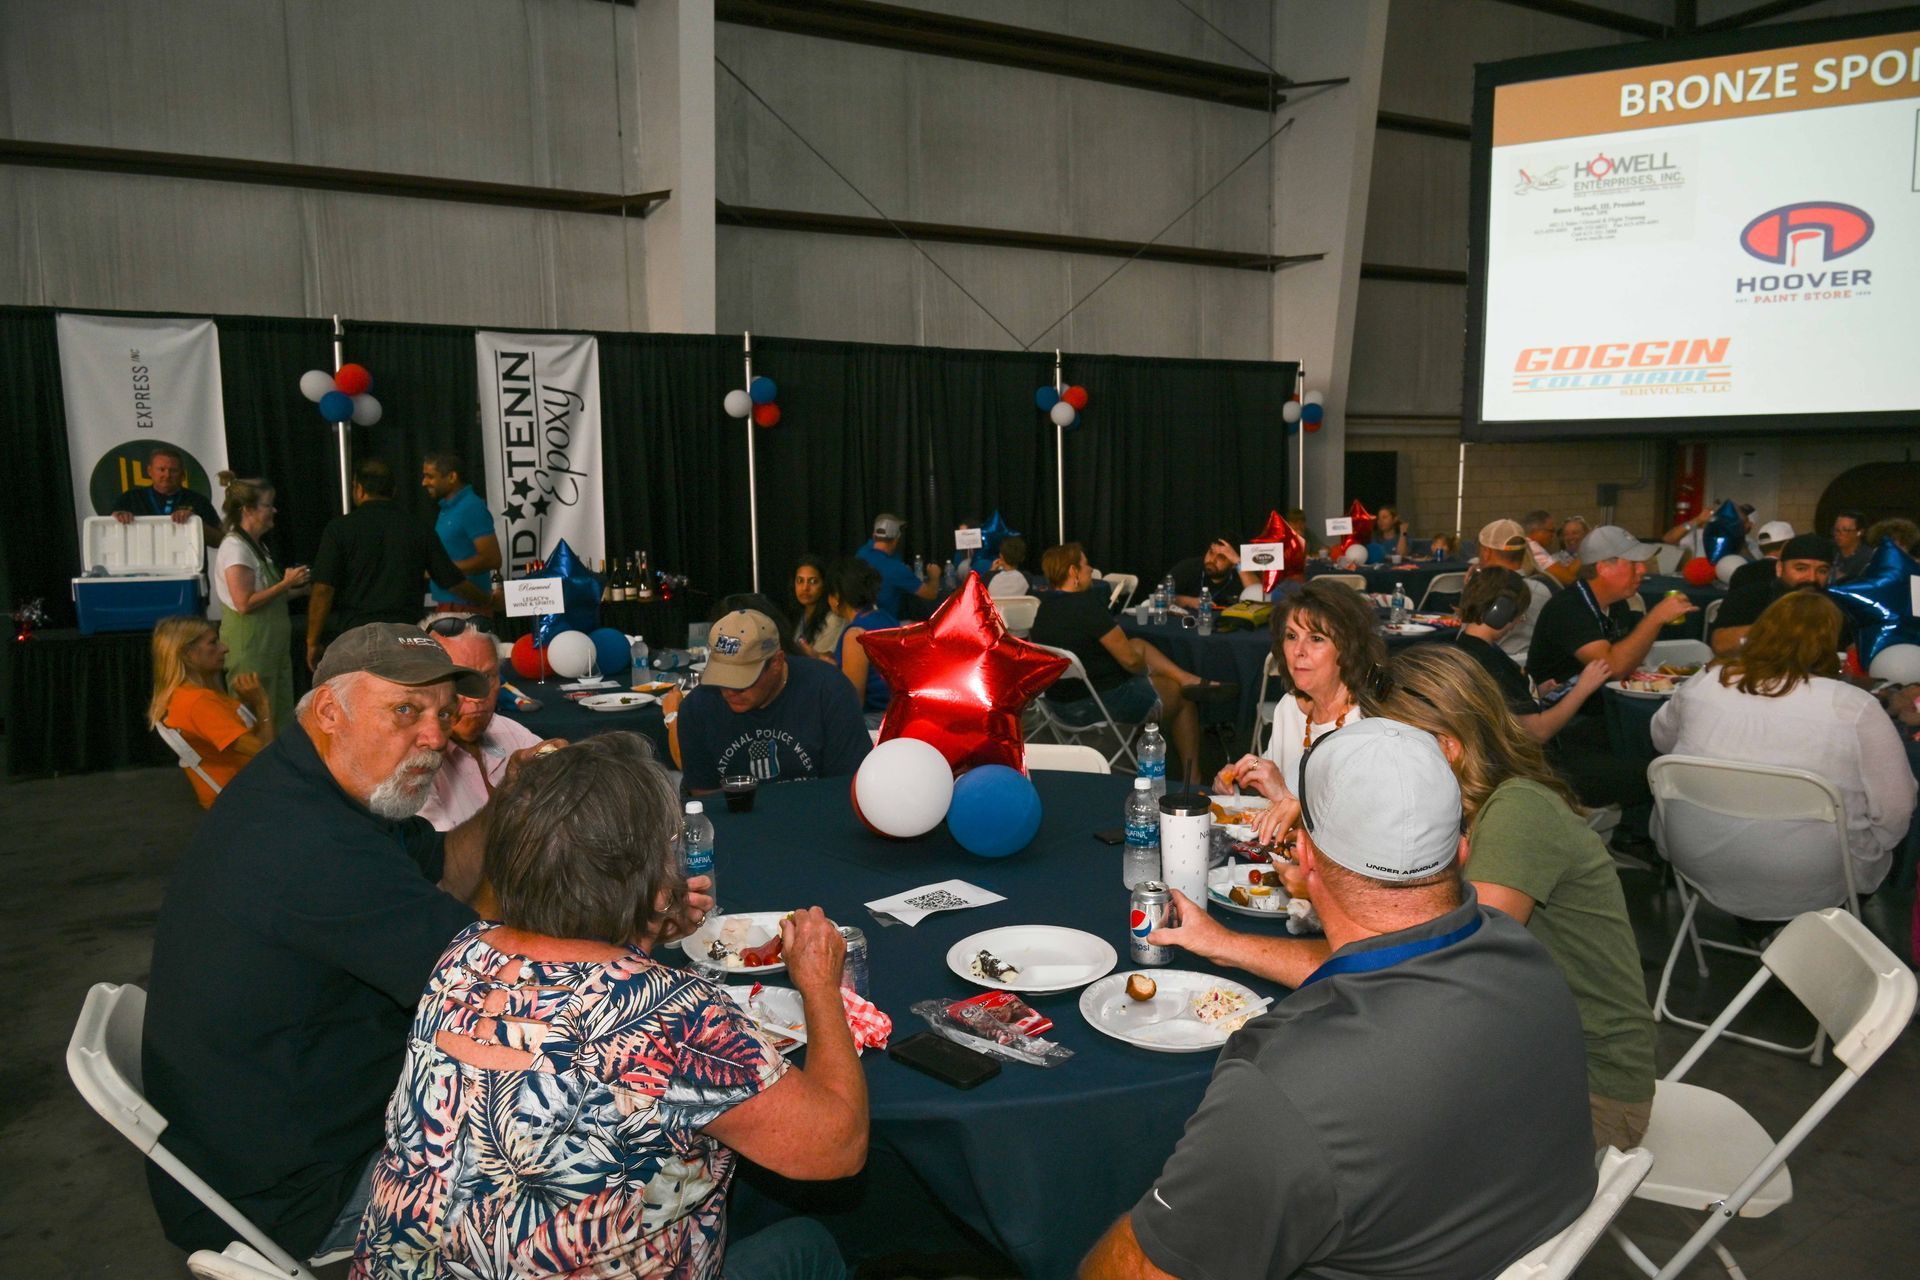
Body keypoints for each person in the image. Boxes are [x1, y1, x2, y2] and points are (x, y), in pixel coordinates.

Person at [143, 624, 653, 1258]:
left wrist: (512, 797)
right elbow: (506, 995)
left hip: (287, 1126)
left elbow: (444, 865)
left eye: (443, 713)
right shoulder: (311, 847)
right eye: (405, 711)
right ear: (330, 709)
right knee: (628, 1168)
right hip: (306, 1190)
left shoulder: (318, 785)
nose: (436, 737)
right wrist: (630, 933)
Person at [1084, 719, 1594, 1280]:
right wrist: (1227, 945)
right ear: (1464, 848)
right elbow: (1379, 979)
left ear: (1303, 858)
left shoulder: (1288, 1089)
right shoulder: (1524, 956)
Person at [352, 734, 862, 1280]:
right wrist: (820, 985)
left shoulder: (463, 953)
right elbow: (839, 1144)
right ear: (652, 872)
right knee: (808, 1244)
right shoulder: (670, 1014)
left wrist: (642, 930)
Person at [1375, 645, 1658, 1150]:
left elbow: (1455, 972)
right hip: (1525, 1057)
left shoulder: (1517, 811)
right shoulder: (1467, 804)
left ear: (1446, 748)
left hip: (1589, 1093)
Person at [1652, 592, 1915, 905]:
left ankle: (1759, 928)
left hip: (1695, 853)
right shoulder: (1855, 707)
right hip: (1812, 873)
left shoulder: (1706, 682)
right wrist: (1869, 848)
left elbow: (1663, 741)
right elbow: (1896, 809)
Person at [1031, 542, 1235, 786]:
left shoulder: (1044, 609)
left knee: (1138, 643)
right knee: (1183, 698)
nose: (1090, 570)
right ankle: (1193, 780)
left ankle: (1187, 679)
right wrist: (1145, 672)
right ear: (1073, 572)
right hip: (1099, 702)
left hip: (1060, 705)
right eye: (1086, 565)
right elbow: (1130, 661)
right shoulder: (1086, 607)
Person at [1213, 579, 1383, 844]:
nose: (1298, 651)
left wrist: (1283, 793)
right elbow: (1270, 786)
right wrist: (1240, 778)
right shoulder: (1289, 707)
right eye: (1291, 636)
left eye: (1316, 639)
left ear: (1348, 648)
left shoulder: (1367, 726)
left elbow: (1361, 835)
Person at [307, 459, 486, 667]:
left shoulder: (339, 529)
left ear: (359, 489)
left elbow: (323, 589)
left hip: (356, 634)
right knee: (405, 696)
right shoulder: (417, 528)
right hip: (406, 633)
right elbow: (451, 580)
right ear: (393, 491)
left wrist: (312, 641)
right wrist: (486, 599)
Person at [676, 608, 873, 794]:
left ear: (777, 662)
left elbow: (846, 788)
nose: (728, 691)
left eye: (741, 682)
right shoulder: (697, 707)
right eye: (721, 678)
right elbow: (706, 800)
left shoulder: (829, 691)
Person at [1453, 567, 1609, 744]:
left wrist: (1534, 691)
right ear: (1501, 611)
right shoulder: (1491, 664)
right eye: (1519, 614)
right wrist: (1583, 688)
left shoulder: (1465, 647)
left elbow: (1504, 702)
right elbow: (1538, 732)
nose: (1519, 621)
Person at [416, 617, 543, 831]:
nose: (477, 696)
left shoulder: (507, 731)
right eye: (460, 680)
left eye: (487, 676)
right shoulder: (411, 760)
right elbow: (441, 856)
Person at [213, 472, 308, 728]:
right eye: (268, 505)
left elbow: (270, 599)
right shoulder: (235, 548)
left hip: (271, 651)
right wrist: (285, 583)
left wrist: (301, 589)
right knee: (254, 723)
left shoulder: (257, 547)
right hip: (251, 652)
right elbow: (245, 603)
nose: (274, 510)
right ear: (248, 509)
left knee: (276, 719)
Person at [147, 616, 274, 807]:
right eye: (213, 643)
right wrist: (262, 704)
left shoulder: (186, 696)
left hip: (246, 787)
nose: (225, 648)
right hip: (246, 795)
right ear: (187, 653)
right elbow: (267, 755)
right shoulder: (198, 703)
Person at [1710, 533, 1834, 658]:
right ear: (1780, 568)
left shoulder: (1837, 606)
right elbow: (1720, 645)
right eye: (1801, 568)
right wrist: (1774, 630)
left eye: (1822, 571)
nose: (1812, 578)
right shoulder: (1750, 596)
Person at [419, 451, 501, 617]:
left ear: (451, 477)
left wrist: (443, 569)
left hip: (468, 609)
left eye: (430, 476)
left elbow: (493, 558)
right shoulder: (446, 509)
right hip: (449, 607)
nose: (424, 482)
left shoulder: (471, 507)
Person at [825, 556, 899, 722]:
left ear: (836, 597)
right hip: (896, 714)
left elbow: (853, 702)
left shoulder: (855, 635)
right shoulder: (885, 617)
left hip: (875, 720)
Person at [1473, 518, 1553, 662]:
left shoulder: (1485, 589)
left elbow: (1468, 642)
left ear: (1486, 552)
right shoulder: (1543, 589)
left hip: (1487, 669)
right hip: (1529, 668)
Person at [110, 443, 221, 540]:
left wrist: (195, 523)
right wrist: (116, 519)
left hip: (187, 563)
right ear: (149, 471)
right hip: (141, 562)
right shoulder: (130, 498)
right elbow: (107, 534)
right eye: (161, 469)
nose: (167, 475)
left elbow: (220, 540)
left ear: (183, 475)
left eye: (173, 470)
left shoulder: (198, 501)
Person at [857, 512, 939, 616]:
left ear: (874, 536)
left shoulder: (861, 552)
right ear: (896, 540)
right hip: (886, 625)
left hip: (861, 621)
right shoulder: (896, 569)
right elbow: (931, 594)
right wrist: (934, 576)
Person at [1168, 536, 1257, 610]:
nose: (1212, 560)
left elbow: (1259, 602)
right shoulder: (1188, 567)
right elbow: (1158, 598)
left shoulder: (1242, 575)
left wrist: (1239, 562)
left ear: (1233, 564)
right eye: (1211, 552)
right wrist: (1189, 602)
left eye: (1221, 557)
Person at [790, 553, 847, 659]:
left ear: (824, 585)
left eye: (813, 581)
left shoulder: (833, 619)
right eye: (800, 581)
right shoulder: (798, 615)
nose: (805, 588)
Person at [1666, 501, 1757, 564]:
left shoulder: (1750, 543)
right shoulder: (1699, 534)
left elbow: (1754, 565)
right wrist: (1697, 520)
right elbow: (1669, 539)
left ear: (1749, 525)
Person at [1520, 509, 1578, 585]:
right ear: (1538, 530)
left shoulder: (1528, 545)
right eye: (1551, 530)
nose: (1553, 535)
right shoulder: (1534, 549)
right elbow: (1568, 578)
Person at [1831, 509, 1870, 582]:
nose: (1838, 534)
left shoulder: (1868, 557)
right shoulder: (1829, 550)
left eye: (1845, 530)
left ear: (1859, 532)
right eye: (1836, 530)